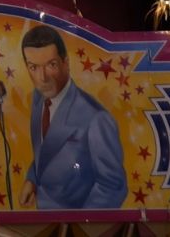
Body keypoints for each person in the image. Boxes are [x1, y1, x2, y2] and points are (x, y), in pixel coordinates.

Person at [19, 22, 128, 210]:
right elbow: (48, 151)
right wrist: (32, 179)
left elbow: (113, 187)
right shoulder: (39, 100)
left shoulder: (96, 119)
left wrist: (79, 227)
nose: (42, 78)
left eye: (51, 65)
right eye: (33, 67)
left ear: (66, 62)